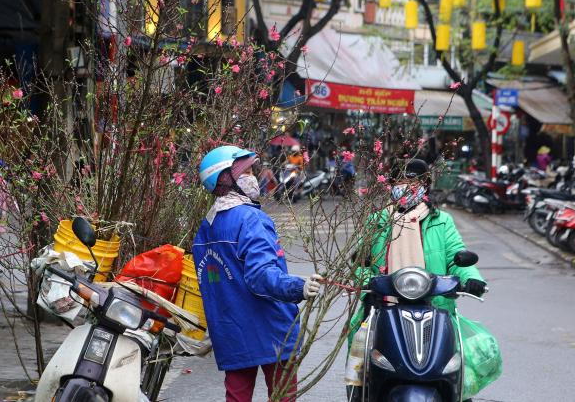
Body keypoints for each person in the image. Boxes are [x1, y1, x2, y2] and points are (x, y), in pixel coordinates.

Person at [348, 159, 487, 398]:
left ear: (426, 185)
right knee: (360, 370)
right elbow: (359, 263)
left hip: (436, 309)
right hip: (384, 310)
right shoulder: (378, 220)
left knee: (456, 373)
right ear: (390, 185)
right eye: (400, 180)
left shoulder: (442, 221)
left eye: (415, 181)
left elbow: (457, 257)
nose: (407, 186)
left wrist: (473, 279)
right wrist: (366, 283)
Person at [193, 145, 322, 402]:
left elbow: (215, 284)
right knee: (283, 397)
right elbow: (260, 276)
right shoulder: (251, 219)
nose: (255, 177)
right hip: (271, 329)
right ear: (227, 180)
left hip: (231, 333)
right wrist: (298, 286)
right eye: (247, 171)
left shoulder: (205, 228)